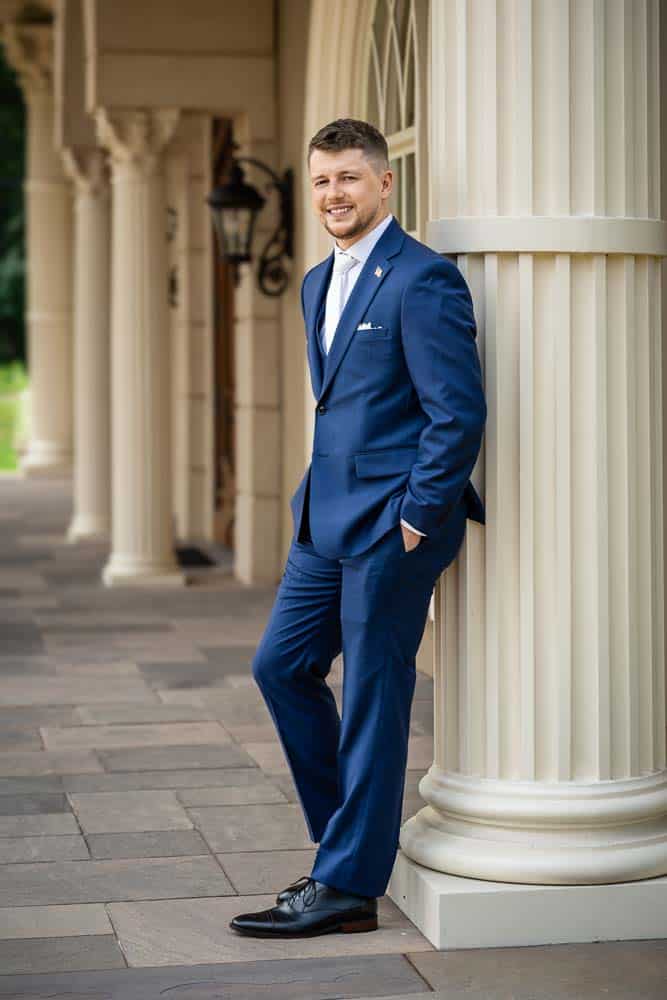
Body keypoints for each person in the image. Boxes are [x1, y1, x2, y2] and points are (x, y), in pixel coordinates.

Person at [230, 118, 486, 938]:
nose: (332, 194)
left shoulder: (423, 279)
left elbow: (456, 412)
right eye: (320, 181)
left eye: (347, 178)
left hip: (390, 526)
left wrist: (417, 517)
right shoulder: (314, 282)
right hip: (323, 517)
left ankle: (344, 890)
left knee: (375, 697)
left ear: (384, 184)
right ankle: (351, 842)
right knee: (280, 668)